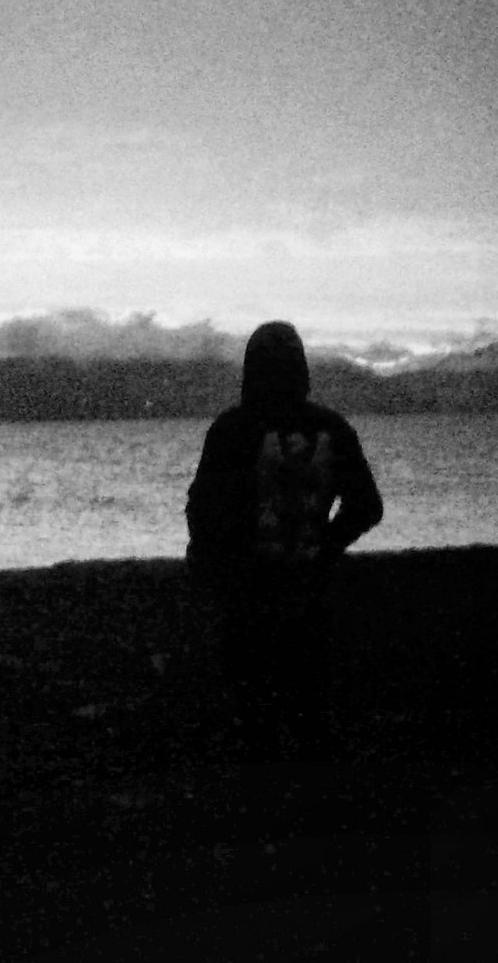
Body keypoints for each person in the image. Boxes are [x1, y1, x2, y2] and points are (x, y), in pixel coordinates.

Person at [185, 320, 383, 756]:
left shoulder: (231, 429)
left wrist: (211, 565)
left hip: (247, 591)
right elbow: (367, 506)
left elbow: (202, 509)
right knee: (310, 706)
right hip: (310, 588)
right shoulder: (333, 427)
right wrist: (324, 547)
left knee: (254, 712)